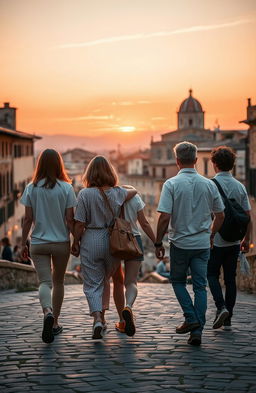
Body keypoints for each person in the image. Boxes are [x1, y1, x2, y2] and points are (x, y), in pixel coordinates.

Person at [155, 141, 225, 346]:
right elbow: (220, 216)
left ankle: (191, 319)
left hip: (180, 243)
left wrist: (158, 242)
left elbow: (164, 217)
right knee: (200, 286)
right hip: (202, 243)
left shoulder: (171, 184)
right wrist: (211, 235)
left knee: (177, 282)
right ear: (195, 160)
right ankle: (197, 331)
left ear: (177, 161)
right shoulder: (209, 184)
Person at [71, 156, 137, 340]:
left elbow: (79, 223)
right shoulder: (117, 193)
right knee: (105, 280)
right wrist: (122, 188)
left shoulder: (85, 194)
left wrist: (75, 242)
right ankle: (104, 318)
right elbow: (135, 190)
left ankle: (98, 319)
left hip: (91, 238)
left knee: (93, 284)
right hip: (112, 242)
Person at [20, 149, 77, 343]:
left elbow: (27, 219)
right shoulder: (67, 188)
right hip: (61, 242)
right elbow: (70, 220)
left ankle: (47, 312)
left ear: (40, 164)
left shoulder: (31, 187)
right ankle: (55, 323)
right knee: (58, 282)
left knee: (44, 282)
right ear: (59, 164)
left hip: (38, 243)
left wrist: (22, 244)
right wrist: (76, 240)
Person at [207, 146, 251, 330]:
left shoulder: (210, 185)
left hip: (215, 240)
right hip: (233, 241)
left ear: (214, 164)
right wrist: (247, 239)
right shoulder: (239, 186)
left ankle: (221, 307)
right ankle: (228, 318)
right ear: (232, 165)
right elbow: (248, 216)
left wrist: (208, 235)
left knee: (211, 275)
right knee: (231, 279)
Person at [112, 192, 155, 336]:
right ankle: (128, 307)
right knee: (131, 282)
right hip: (134, 239)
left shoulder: (111, 195)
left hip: (115, 239)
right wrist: (157, 242)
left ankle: (121, 321)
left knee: (117, 281)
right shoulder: (135, 197)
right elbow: (144, 223)